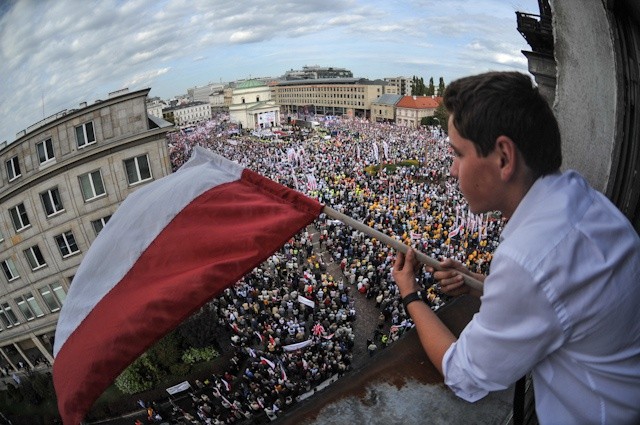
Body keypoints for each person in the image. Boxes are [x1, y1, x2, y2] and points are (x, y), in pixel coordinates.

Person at [392, 71, 640, 425]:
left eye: (458, 154)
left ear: (504, 157)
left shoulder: (529, 258)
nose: (452, 171)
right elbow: (561, 300)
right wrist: (479, 281)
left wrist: (410, 295)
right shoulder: (580, 197)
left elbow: (464, 375)